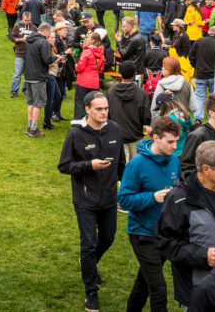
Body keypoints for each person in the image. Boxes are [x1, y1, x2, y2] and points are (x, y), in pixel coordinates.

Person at [157, 140, 215, 309]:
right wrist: (203, 256)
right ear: (206, 169)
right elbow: (165, 243)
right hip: (197, 292)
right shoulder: (179, 199)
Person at [58, 90, 124, 312]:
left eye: (106, 108)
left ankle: (88, 264)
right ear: (87, 110)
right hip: (85, 199)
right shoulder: (75, 135)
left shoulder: (115, 130)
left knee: (108, 238)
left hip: (109, 198)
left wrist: (126, 183)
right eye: (99, 109)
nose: (104, 112)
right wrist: (89, 165)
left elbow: (121, 164)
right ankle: (91, 292)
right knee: (88, 243)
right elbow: (64, 166)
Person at [117, 116, 181, 312]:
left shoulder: (174, 161)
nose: (174, 146)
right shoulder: (137, 164)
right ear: (155, 138)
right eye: (170, 142)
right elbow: (124, 199)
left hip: (165, 233)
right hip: (143, 234)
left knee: (144, 282)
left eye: (176, 141)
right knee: (159, 289)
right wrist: (153, 197)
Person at [106, 61, 151, 163]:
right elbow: (146, 116)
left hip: (119, 134)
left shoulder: (111, 92)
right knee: (135, 166)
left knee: (122, 167)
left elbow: (106, 114)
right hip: (133, 134)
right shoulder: (141, 93)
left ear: (120, 73)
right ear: (135, 73)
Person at [23, 23, 56, 137]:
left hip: (28, 75)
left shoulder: (28, 40)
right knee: (38, 103)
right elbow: (47, 59)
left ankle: (29, 126)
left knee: (30, 102)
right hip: (38, 76)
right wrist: (57, 57)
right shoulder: (43, 42)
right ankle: (34, 129)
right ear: (46, 31)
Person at [74, 30, 106, 120]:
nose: (86, 39)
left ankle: (78, 122)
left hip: (83, 82)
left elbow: (80, 68)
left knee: (80, 102)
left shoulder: (86, 52)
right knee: (92, 103)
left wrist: (76, 65)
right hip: (94, 82)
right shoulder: (101, 53)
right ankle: (92, 121)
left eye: (88, 38)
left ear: (93, 40)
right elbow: (101, 69)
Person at [188, 26, 215, 120]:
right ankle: (212, 117)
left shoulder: (199, 41)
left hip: (200, 73)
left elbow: (191, 55)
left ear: (208, 31)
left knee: (199, 96)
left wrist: (195, 66)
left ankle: (198, 118)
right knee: (213, 97)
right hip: (214, 74)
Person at [8, 10, 37, 98]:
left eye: (28, 21)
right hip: (19, 53)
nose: (27, 22)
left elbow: (37, 39)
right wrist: (21, 40)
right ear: (22, 19)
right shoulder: (17, 26)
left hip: (30, 54)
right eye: (25, 20)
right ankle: (14, 91)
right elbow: (12, 38)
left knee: (28, 74)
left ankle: (25, 90)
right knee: (17, 73)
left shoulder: (34, 28)